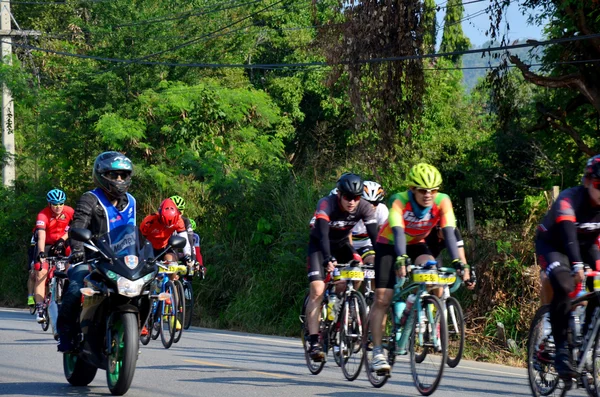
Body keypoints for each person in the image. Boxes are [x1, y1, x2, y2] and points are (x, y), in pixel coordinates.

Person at [369, 163, 468, 373]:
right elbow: (397, 231)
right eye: (423, 190)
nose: (428, 195)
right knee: (382, 298)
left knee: (432, 273)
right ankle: (377, 352)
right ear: (412, 189)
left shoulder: (443, 201)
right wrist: (401, 257)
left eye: (433, 190)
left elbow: (450, 232)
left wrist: (459, 262)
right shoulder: (399, 200)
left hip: (416, 244)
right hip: (389, 244)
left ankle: (416, 303)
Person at [57, 151, 136, 352]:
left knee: (149, 288)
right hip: (91, 258)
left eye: (123, 175)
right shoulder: (90, 199)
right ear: (101, 175)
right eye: (114, 175)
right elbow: (78, 227)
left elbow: (133, 232)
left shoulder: (132, 202)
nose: (119, 180)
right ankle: (65, 334)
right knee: (75, 290)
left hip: (120, 261)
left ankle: (140, 326)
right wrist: (77, 251)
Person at [535, 155, 600, 379]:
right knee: (564, 283)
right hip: (554, 245)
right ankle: (561, 350)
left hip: (586, 246)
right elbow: (569, 237)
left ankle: (587, 347)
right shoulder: (569, 199)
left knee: (598, 289)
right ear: (587, 182)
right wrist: (577, 266)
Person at [305, 173, 378, 362]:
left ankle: (341, 317)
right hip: (320, 246)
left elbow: (375, 237)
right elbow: (321, 235)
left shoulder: (364, 207)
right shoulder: (326, 204)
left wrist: (385, 259)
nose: (352, 202)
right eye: (348, 197)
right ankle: (314, 341)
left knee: (357, 273)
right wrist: (327, 258)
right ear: (339, 194)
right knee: (318, 290)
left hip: (343, 244)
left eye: (356, 197)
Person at [31, 189, 74, 323]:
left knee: (73, 264)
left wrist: (62, 239)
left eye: (60, 203)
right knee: (40, 272)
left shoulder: (69, 211)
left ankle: (68, 294)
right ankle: (39, 308)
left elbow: (74, 228)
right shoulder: (43, 215)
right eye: (55, 204)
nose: (58, 207)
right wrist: (41, 252)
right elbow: (41, 236)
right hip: (47, 244)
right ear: (49, 204)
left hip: (62, 242)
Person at [424, 224, 476, 290]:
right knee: (427, 280)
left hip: (436, 252)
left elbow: (461, 256)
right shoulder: (431, 229)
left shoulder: (455, 232)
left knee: (439, 282)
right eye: (445, 232)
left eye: (450, 232)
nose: (448, 234)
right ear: (438, 228)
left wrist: (466, 272)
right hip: (424, 248)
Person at [351, 181, 389, 265]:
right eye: (367, 202)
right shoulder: (350, 208)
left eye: (375, 203)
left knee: (375, 262)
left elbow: (383, 233)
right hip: (348, 245)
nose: (371, 206)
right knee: (355, 267)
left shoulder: (382, 209)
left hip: (366, 245)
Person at [169, 195, 197, 268]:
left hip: (176, 251)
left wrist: (192, 260)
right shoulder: (162, 219)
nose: (178, 214)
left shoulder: (185, 221)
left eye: (181, 210)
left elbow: (190, 242)